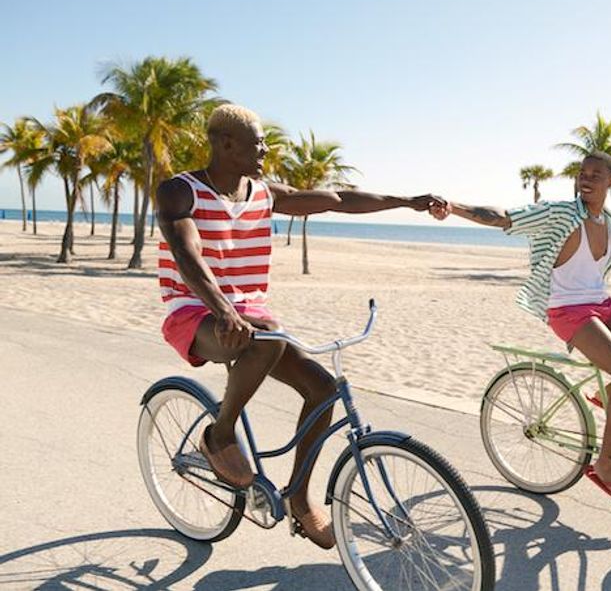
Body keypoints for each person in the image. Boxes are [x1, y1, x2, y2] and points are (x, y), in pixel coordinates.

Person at [156, 103, 447, 548]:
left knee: (324, 388)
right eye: (257, 141)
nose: (265, 148)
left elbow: (338, 200)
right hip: (195, 312)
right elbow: (186, 254)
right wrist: (222, 309)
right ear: (226, 144)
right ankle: (219, 435)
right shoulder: (181, 191)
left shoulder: (264, 193)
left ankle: (298, 496)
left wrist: (405, 201)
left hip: (252, 319)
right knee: (266, 331)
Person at [430, 151, 611, 507]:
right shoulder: (561, 214)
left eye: (596, 174)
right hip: (566, 311)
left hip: (600, 306)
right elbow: (503, 218)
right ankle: (605, 466)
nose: (586, 178)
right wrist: (454, 207)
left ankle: (609, 396)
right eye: (583, 173)